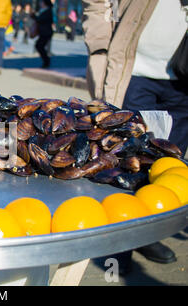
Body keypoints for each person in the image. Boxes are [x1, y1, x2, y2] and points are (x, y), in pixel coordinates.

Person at [83, 0, 187, 274]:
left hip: (183, 81)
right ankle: (118, 244)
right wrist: (99, 45)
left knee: (166, 166)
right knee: (124, 165)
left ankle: (147, 233)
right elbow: (99, 3)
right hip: (132, 73)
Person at [34, 0, 53, 68]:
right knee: (39, 46)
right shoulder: (44, 10)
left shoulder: (48, 11)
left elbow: (40, 20)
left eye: (41, 2)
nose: (40, 3)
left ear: (45, 3)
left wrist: (34, 16)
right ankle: (46, 61)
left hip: (46, 32)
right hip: (44, 32)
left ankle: (46, 61)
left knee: (39, 46)